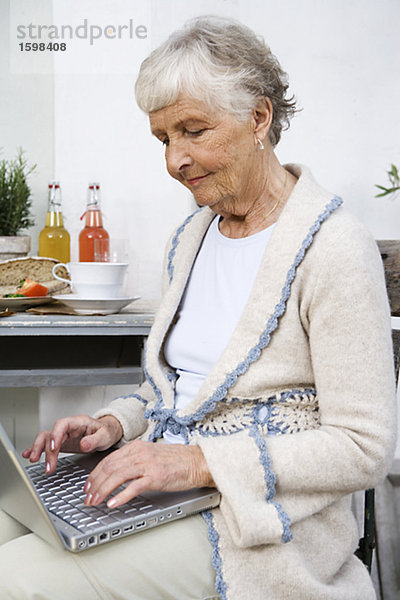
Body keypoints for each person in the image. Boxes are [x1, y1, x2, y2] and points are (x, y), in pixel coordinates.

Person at [0, 16, 396, 600]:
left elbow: (363, 449)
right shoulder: (192, 238)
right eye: (164, 138)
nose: (175, 160)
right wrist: (115, 424)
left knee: (17, 578)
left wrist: (196, 464)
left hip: (258, 527)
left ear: (259, 118)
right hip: (171, 493)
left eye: (194, 130)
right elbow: (175, 392)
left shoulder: (333, 246)